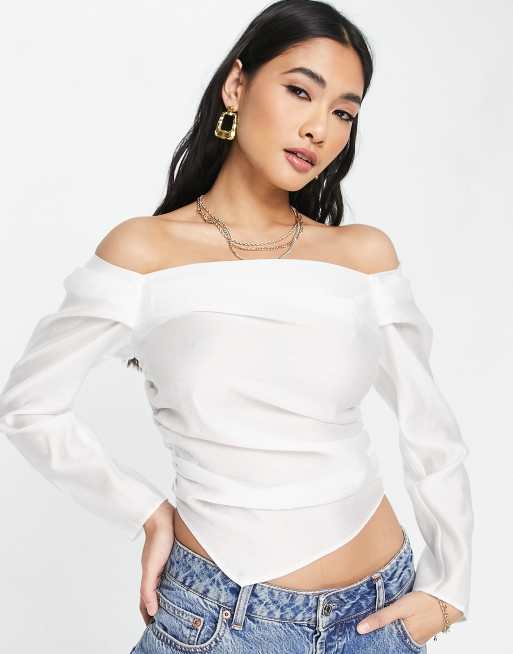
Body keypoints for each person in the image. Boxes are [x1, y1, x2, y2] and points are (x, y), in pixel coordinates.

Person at [0, 1, 473, 652]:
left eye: (343, 112)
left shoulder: (362, 257)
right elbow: (29, 408)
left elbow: (430, 431)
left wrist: (448, 590)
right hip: (223, 620)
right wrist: (143, 510)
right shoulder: (143, 252)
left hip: (378, 614)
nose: (318, 128)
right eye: (299, 91)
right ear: (236, 85)